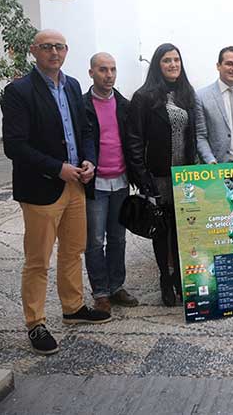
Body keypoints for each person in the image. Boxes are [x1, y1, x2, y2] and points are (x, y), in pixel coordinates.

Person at [2, 29, 110, 356]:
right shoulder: (18, 91)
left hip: (75, 183)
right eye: (47, 47)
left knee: (72, 250)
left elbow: (85, 130)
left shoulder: (73, 85)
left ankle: (73, 306)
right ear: (34, 51)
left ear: (67, 51)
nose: (54, 52)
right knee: (38, 259)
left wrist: (89, 159)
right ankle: (35, 322)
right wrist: (56, 167)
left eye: (59, 47)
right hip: (41, 187)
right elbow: (15, 146)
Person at [126, 43, 198, 307]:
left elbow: (193, 136)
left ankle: (181, 277)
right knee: (161, 230)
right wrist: (142, 177)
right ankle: (165, 279)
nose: (173, 65)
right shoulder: (143, 97)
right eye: (167, 61)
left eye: (176, 60)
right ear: (158, 64)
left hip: (184, 176)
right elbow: (134, 139)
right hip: (157, 176)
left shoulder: (187, 94)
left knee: (181, 229)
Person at [83, 52, 139, 313]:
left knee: (118, 237)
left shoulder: (125, 105)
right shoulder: (81, 106)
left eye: (113, 70)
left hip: (121, 181)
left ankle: (116, 286)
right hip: (95, 183)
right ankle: (101, 292)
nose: (109, 75)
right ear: (91, 72)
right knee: (95, 240)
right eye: (103, 70)